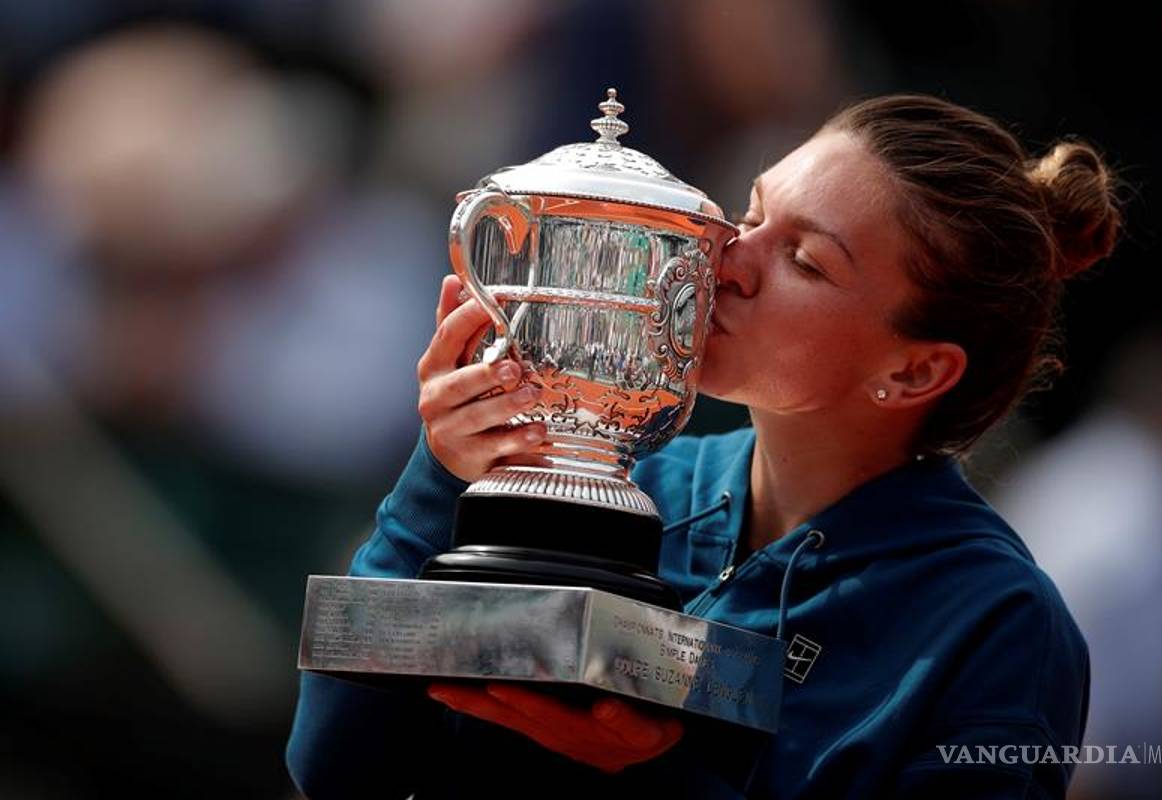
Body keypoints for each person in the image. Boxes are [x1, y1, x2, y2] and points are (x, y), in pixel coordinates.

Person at [286, 94, 1120, 798]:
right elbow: (337, 767)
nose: (724, 260)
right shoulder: (620, 479)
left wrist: (666, 774)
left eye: (804, 260)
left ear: (914, 372)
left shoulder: (998, 626)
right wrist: (444, 476)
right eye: (751, 215)